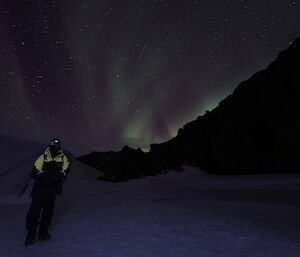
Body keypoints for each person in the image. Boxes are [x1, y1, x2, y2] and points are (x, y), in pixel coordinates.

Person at [25, 138, 70, 246]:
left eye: (56, 146)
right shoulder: (44, 156)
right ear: (50, 146)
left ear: (59, 147)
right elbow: (36, 167)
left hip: (52, 190)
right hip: (40, 189)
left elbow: (66, 169)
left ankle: (43, 233)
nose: (54, 147)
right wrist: (41, 175)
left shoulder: (63, 158)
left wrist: (61, 175)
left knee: (48, 212)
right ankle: (31, 235)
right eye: (53, 145)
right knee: (34, 212)